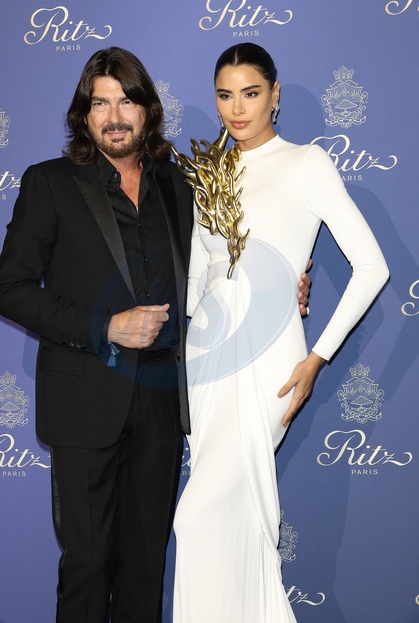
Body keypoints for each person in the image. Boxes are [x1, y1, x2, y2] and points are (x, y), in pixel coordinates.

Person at [0, 46, 311, 623]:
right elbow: (9, 290)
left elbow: (222, 265)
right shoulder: (50, 183)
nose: (114, 116)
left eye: (126, 102)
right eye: (100, 104)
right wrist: (106, 326)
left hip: (163, 402)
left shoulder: (179, 185)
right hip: (85, 400)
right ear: (84, 114)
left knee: (146, 570)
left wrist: (285, 285)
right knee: (88, 567)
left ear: (147, 109)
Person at [172, 43, 389, 623]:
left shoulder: (305, 162)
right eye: (225, 96)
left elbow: (373, 267)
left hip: (270, 358)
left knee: (194, 518)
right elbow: (197, 282)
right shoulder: (209, 174)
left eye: (251, 93)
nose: (237, 109)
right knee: (233, 521)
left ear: (274, 94)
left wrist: (317, 358)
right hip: (207, 362)